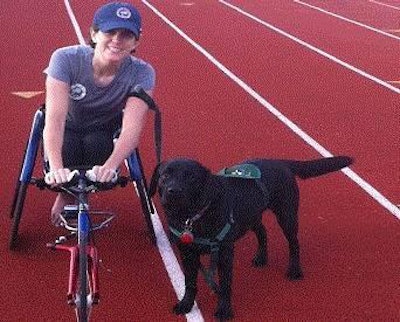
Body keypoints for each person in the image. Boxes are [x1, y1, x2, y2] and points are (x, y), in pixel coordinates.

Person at [43, 2, 156, 225]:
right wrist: (56, 170)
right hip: (68, 124)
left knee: (97, 145)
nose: (117, 40)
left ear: (136, 42)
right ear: (94, 34)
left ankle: (77, 194)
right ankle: (66, 194)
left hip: (103, 129)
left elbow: (132, 126)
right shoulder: (65, 59)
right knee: (68, 147)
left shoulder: (142, 73)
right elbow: (54, 118)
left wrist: (111, 165)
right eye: (110, 32)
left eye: (126, 35)